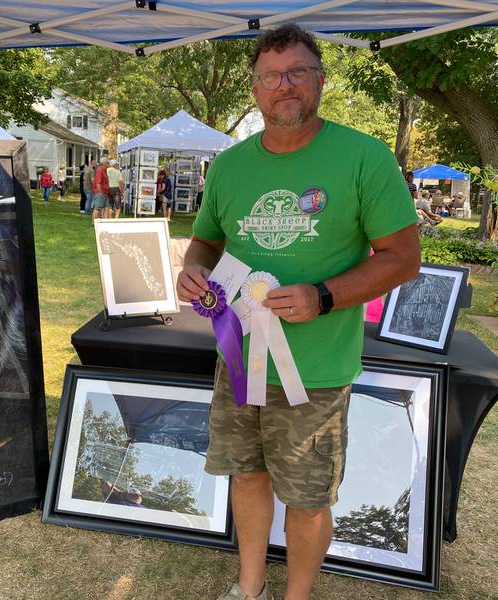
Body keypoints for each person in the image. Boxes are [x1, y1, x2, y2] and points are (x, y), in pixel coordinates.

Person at [176, 24, 419, 600]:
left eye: (297, 73)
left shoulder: (364, 157)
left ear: (320, 81)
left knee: (308, 500)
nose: (284, 85)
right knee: (248, 475)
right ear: (255, 88)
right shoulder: (231, 166)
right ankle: (250, 586)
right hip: (237, 360)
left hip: (316, 370)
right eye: (270, 76)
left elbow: (404, 258)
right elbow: (207, 240)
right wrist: (194, 269)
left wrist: (324, 295)